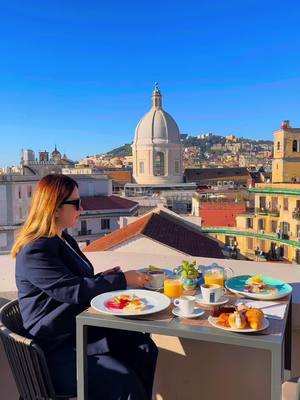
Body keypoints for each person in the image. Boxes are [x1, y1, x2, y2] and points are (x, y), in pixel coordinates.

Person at [12, 174, 157, 400]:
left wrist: (103, 277)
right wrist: (122, 281)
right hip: (53, 349)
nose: (81, 208)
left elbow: (78, 281)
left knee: (144, 349)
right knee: (122, 380)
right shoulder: (35, 251)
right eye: (76, 203)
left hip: (78, 332)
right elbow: (72, 290)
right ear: (55, 208)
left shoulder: (63, 240)